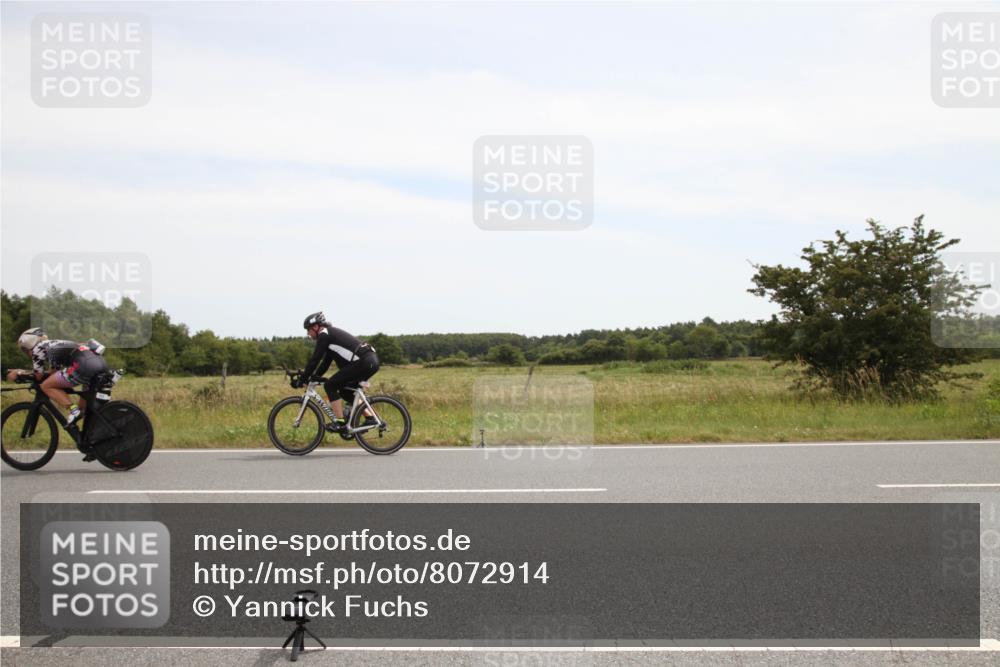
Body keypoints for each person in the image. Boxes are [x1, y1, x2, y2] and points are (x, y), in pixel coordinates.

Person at [5, 327, 110, 431]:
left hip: (83, 365)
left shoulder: (38, 349)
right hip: (99, 364)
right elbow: (53, 373)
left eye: (24, 350)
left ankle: (74, 410)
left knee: (46, 386)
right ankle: (89, 436)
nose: (26, 353)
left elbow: (39, 376)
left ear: (29, 344)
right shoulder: (53, 345)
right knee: (84, 408)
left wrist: (19, 372)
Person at [298, 312, 379, 433]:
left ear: (315, 327)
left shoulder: (324, 335)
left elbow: (315, 359)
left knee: (330, 385)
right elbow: (325, 362)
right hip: (369, 362)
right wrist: (315, 376)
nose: (308, 334)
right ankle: (370, 418)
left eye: (308, 330)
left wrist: (303, 378)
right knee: (345, 392)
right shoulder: (330, 335)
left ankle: (340, 423)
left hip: (364, 362)